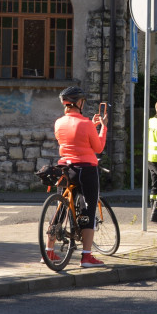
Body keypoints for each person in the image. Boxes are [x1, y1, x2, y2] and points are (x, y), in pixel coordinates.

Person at [46, 86, 108, 267]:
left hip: (65, 168)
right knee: (88, 210)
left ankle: (48, 251)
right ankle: (86, 257)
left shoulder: (59, 122)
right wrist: (103, 127)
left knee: (60, 208)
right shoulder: (86, 123)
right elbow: (98, 147)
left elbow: (73, 138)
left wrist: (91, 127)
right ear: (79, 103)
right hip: (85, 169)